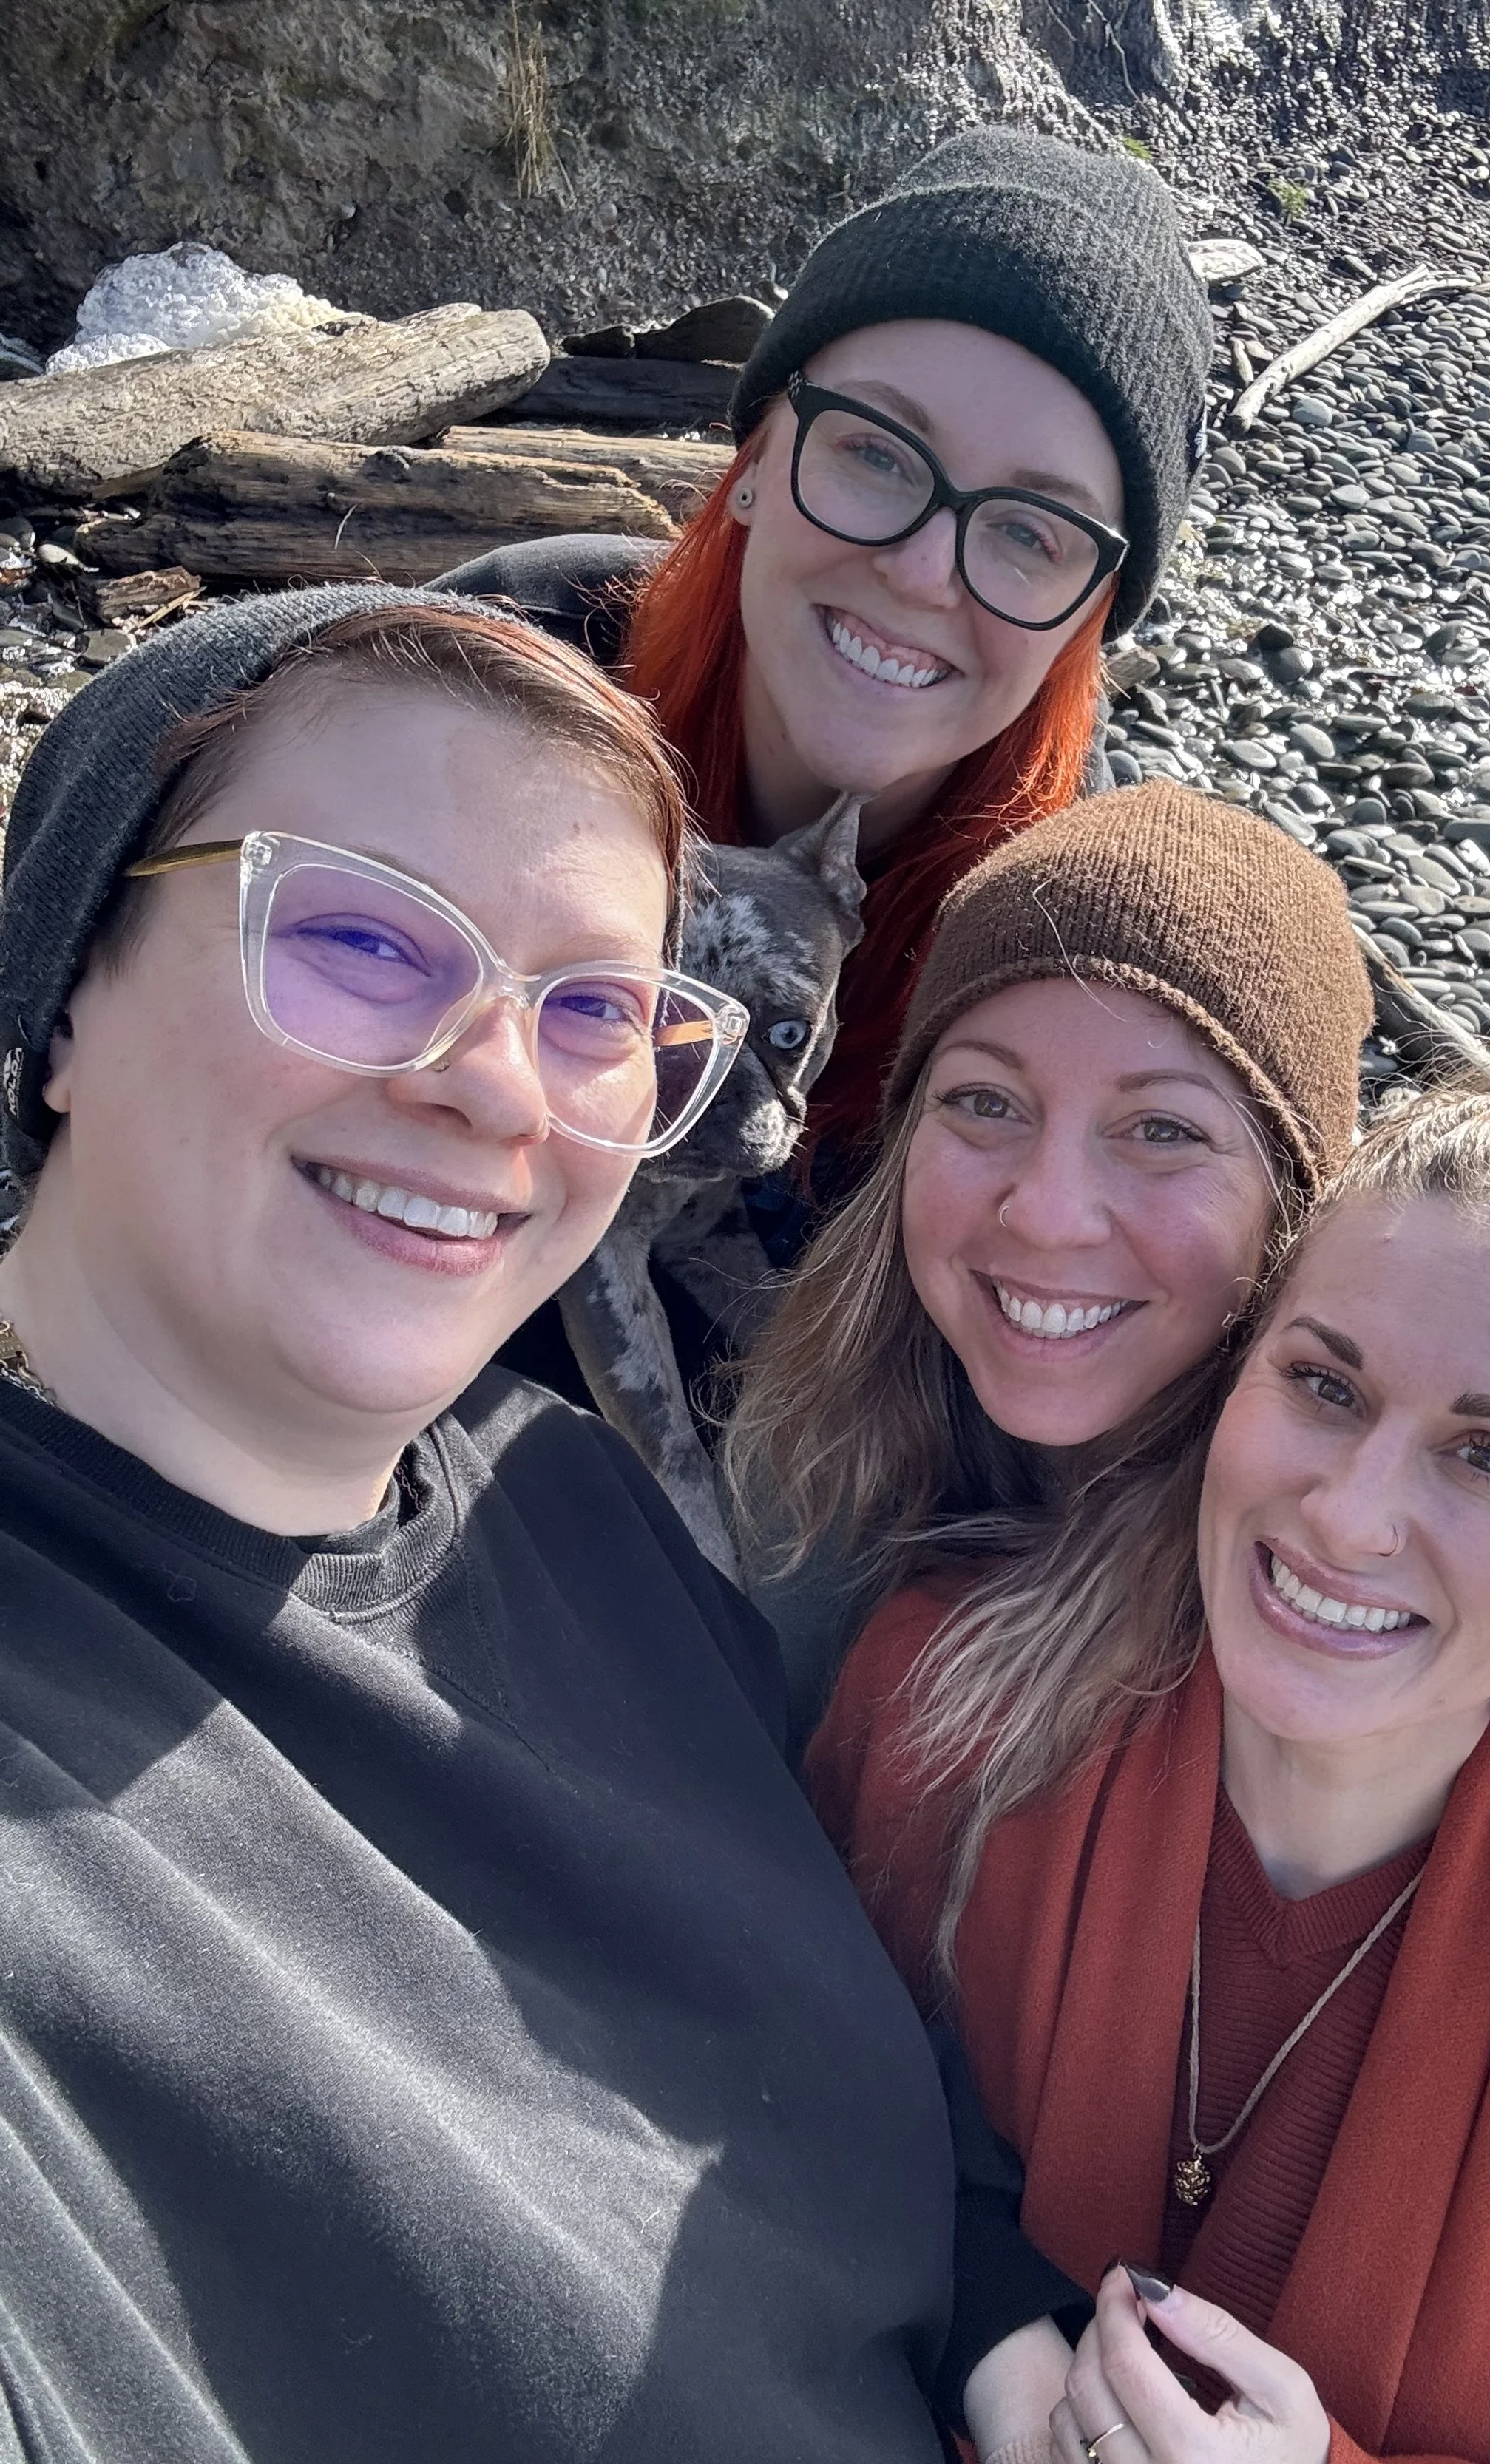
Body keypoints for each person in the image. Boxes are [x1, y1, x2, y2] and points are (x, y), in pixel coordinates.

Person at [0, 586, 961, 2464]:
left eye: (593, 1007)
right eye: (360, 935)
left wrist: (1021, 2346)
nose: (495, 1082)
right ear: (66, 990)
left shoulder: (561, 1497)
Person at [810, 1053, 1490, 2464]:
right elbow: (732, 2128)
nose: (1351, 1515)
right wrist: (989, 2342)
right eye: (1325, 1385)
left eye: (1489, 1458)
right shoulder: (941, 1709)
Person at [441, 123, 1214, 1172]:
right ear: (755, 455)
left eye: (1032, 532)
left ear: (1089, 616)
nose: (923, 573)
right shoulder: (506, 658)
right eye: (878, 455)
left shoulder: (1084, 925)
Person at [722, 780, 1373, 1742]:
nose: (1049, 1216)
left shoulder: (1356, 1583)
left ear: (1296, 1201)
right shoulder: (815, 1453)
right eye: (987, 1103)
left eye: (1161, 1129)